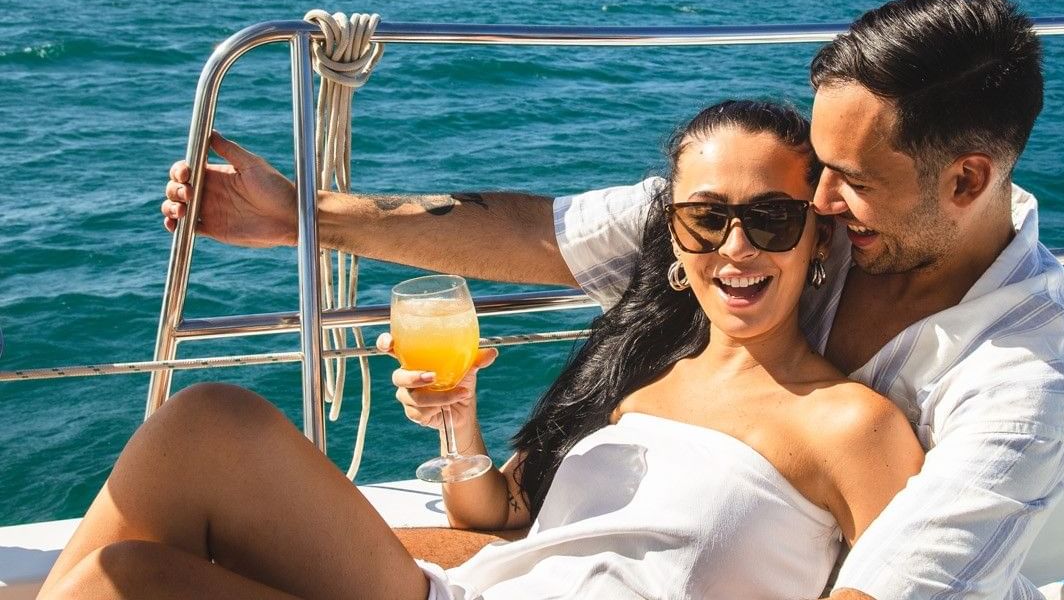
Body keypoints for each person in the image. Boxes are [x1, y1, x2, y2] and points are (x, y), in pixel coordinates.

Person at [159, 0, 1064, 599]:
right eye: (817, 171)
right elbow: (541, 232)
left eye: (844, 182)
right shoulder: (788, 221)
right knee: (173, 487)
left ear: (966, 180)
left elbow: (902, 585)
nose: (814, 202)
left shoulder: (1023, 384)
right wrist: (300, 215)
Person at [40, 101, 922, 599]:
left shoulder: (850, 426)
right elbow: (505, 517)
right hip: (473, 591)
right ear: (674, 235)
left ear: (818, 237)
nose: (736, 247)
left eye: (771, 219)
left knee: (111, 586)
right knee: (203, 428)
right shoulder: (645, 370)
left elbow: (918, 580)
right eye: (706, 218)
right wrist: (460, 427)